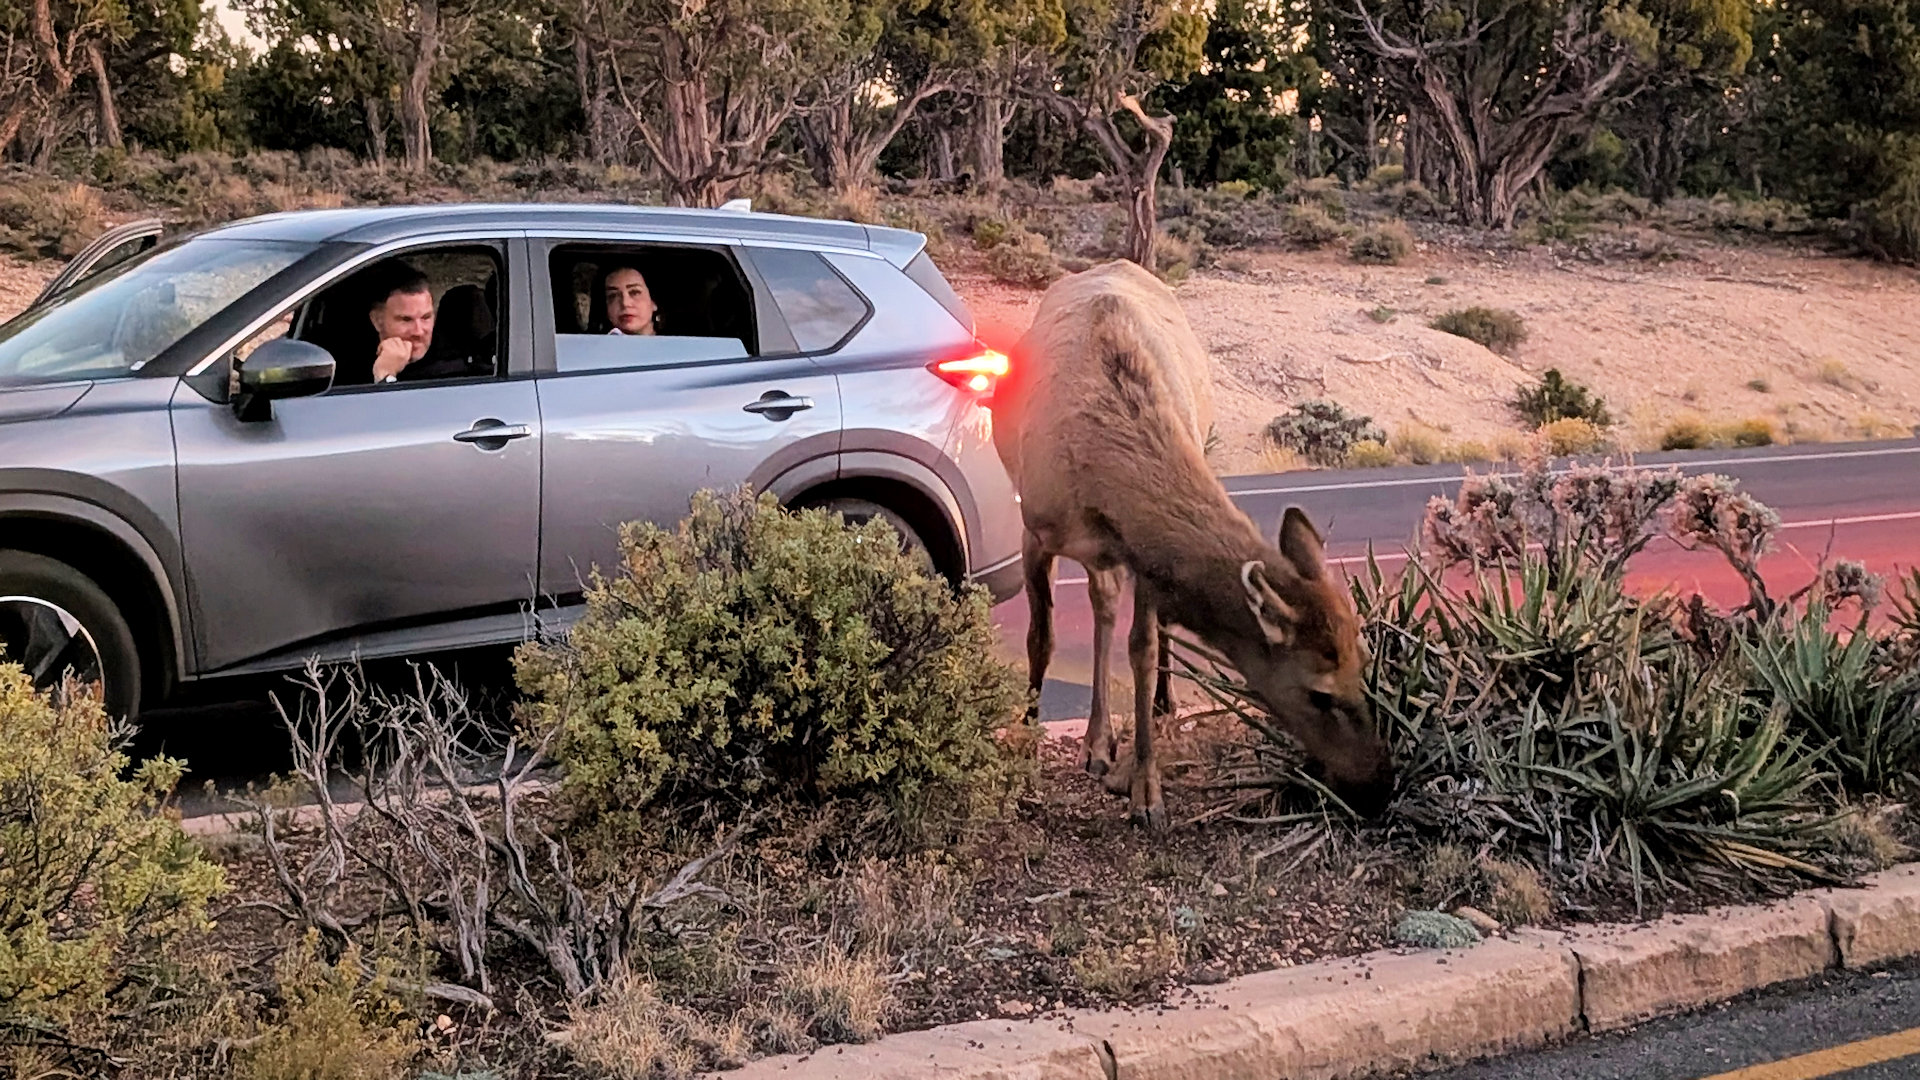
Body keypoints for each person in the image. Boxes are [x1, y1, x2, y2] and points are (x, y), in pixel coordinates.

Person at [369, 263, 437, 383]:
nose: (419, 332)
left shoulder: (457, 373)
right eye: (406, 320)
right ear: (377, 321)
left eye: (426, 318)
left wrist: (385, 375)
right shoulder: (343, 369)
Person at [601, 263, 660, 336]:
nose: (625, 303)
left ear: (653, 302)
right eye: (613, 295)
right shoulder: (597, 346)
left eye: (634, 292)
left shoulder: (675, 345)